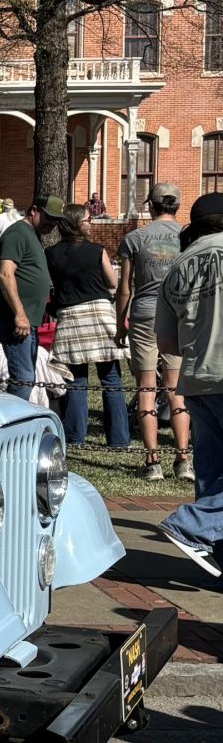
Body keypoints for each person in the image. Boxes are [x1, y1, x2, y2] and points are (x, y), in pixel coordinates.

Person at [155, 193, 223, 573]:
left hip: (197, 379)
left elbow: (167, 343)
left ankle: (215, 553)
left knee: (213, 477)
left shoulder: (177, 265)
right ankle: (191, 525)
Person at [118, 182, 192, 480]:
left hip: (144, 314)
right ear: (177, 206)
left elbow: (125, 288)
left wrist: (119, 322)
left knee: (146, 388)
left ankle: (152, 462)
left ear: (151, 205)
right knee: (177, 391)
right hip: (177, 316)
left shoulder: (134, 238)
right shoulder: (188, 237)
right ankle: (183, 459)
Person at [44, 204, 130, 448]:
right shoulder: (96, 250)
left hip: (70, 318)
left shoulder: (51, 253)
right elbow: (113, 282)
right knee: (111, 379)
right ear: (75, 223)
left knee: (76, 380)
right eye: (88, 219)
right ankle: (119, 440)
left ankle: (75, 437)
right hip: (100, 316)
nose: (91, 223)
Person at [0, 197, 58, 400]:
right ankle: (10, 425)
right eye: (49, 217)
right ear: (33, 211)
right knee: (24, 378)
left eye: (56, 221)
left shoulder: (32, 235)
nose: (52, 224)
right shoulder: (17, 233)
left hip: (29, 321)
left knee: (26, 377)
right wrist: (19, 314)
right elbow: (5, 274)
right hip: (16, 321)